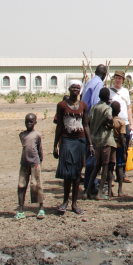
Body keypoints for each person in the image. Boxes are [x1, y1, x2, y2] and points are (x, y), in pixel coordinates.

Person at [53, 79, 91, 215]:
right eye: (73, 87)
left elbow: (86, 125)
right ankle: (65, 202)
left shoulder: (83, 105)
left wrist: (90, 144)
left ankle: (74, 204)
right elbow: (59, 126)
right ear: (69, 89)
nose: (75, 89)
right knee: (67, 173)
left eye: (77, 87)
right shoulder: (62, 105)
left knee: (76, 174)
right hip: (66, 141)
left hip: (80, 141)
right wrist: (55, 146)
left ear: (80, 90)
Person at [81, 65, 107, 192]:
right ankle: (90, 185)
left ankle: (91, 182)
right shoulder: (99, 83)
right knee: (92, 153)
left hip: (85, 120)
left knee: (90, 152)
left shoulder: (90, 81)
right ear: (105, 74)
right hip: (92, 122)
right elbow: (96, 103)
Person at [87, 88, 115, 200]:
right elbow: (109, 118)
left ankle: (87, 191)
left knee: (96, 166)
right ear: (108, 97)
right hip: (105, 140)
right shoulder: (107, 108)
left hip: (96, 140)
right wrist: (110, 124)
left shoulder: (94, 108)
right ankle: (100, 193)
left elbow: (89, 121)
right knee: (105, 166)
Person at [16, 113, 44, 220]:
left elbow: (40, 149)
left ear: (35, 122)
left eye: (31, 122)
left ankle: (41, 208)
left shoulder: (37, 135)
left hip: (34, 163)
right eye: (27, 121)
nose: (28, 124)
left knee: (36, 185)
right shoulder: (22, 135)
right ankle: (21, 209)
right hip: (24, 164)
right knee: (21, 186)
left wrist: (39, 161)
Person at [109, 70, 133, 184]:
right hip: (113, 123)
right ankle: (112, 174)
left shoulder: (125, 91)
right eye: (116, 78)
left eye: (120, 78)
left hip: (125, 123)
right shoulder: (109, 92)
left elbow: (128, 108)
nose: (118, 80)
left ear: (123, 80)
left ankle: (122, 173)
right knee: (112, 148)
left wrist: (131, 123)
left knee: (124, 148)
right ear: (114, 79)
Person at [111, 101, 126, 197]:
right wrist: (124, 150)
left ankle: (109, 190)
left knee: (110, 167)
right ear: (120, 110)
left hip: (110, 146)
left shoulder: (108, 120)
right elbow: (122, 137)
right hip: (119, 147)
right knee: (119, 167)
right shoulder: (121, 122)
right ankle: (120, 190)